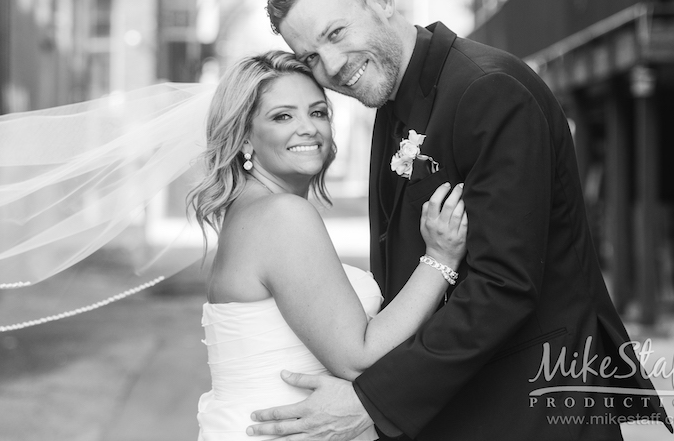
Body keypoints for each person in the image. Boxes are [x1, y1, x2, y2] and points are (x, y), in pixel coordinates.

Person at [245, 0, 672, 440]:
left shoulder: (489, 90)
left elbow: (504, 284)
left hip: (526, 406)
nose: (333, 66)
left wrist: (376, 400)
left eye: (336, 33)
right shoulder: (391, 99)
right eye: (311, 58)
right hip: (457, 406)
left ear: (381, 1)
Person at [187, 51, 468, 441]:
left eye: (318, 112)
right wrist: (439, 260)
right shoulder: (281, 215)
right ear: (244, 137)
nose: (308, 128)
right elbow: (358, 357)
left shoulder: (248, 211)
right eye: (282, 116)